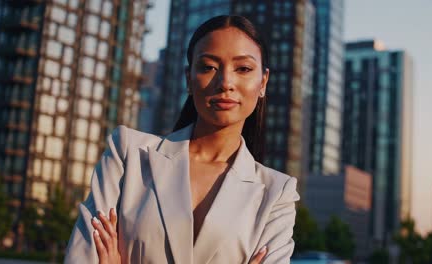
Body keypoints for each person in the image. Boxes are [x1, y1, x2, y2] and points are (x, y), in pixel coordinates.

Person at [64, 15, 300, 264]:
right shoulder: (128, 154)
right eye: (209, 67)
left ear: (263, 82)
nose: (226, 83)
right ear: (189, 78)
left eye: (243, 69)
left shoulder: (276, 193)